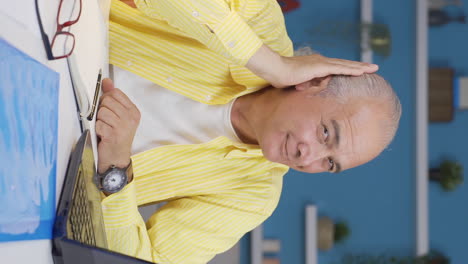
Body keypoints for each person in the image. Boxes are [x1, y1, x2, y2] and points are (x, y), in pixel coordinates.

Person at [95, 0, 401, 263]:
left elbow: (142, 260)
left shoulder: (253, 196)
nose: (308, 158)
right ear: (313, 82)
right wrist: (274, 66)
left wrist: (116, 167)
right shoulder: (261, 21)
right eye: (325, 133)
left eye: (330, 163)